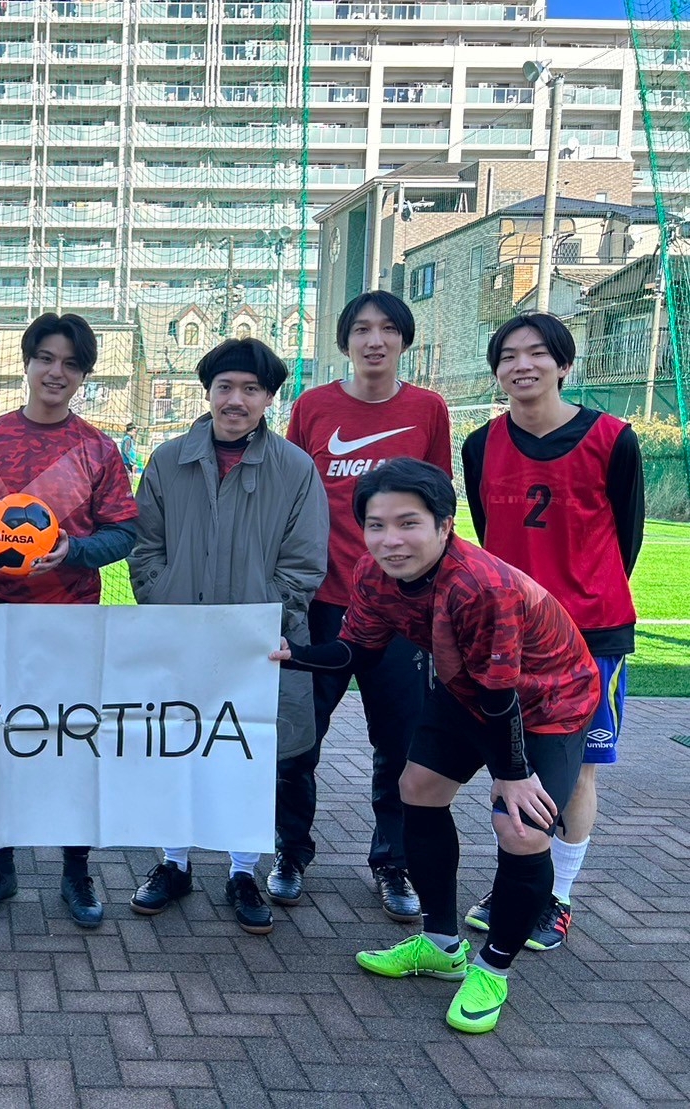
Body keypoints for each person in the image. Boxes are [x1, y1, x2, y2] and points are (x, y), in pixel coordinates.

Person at [271, 459, 599, 1034]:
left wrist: (513, 772)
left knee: (521, 829)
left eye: (408, 523)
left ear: (445, 525)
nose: (390, 540)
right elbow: (357, 652)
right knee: (417, 788)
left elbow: (501, 697)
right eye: (376, 525)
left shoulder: (480, 586)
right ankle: (442, 946)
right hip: (470, 687)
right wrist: (292, 653)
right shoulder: (372, 573)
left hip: (548, 702)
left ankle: (493, 970)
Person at [0, 312, 140, 929]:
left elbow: (125, 531)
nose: (57, 372)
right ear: (27, 363)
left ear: (84, 376)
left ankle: (76, 872)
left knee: (73, 748)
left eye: (72, 364)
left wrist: (74, 551)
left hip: (72, 620)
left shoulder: (98, 448)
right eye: (47, 358)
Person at [128, 338, 328, 935]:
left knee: (250, 757)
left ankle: (243, 871)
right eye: (225, 387)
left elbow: (304, 563)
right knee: (177, 750)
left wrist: (257, 625)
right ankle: (174, 863)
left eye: (250, 389)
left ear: (268, 398)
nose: (235, 400)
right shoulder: (168, 461)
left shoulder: (295, 468)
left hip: (259, 648)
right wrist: (167, 608)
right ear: (208, 392)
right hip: (179, 640)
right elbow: (145, 549)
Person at [462, 313, 644, 951]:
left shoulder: (613, 438)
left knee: (578, 773)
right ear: (497, 370)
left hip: (592, 634)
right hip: (511, 636)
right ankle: (519, 883)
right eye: (509, 355)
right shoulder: (481, 445)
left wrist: (584, 599)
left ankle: (557, 896)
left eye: (538, 353)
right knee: (511, 765)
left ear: (564, 364)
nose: (523, 365)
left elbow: (627, 537)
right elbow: (488, 533)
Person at [278, 290, 451, 921]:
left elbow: (439, 507)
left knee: (399, 744)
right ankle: (290, 852)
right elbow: (291, 495)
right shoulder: (313, 407)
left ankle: (393, 862)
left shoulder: (428, 408)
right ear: (344, 341)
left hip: (402, 609)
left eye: (386, 329)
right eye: (361, 329)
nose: (374, 340)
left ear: (403, 339)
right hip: (324, 603)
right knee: (299, 740)